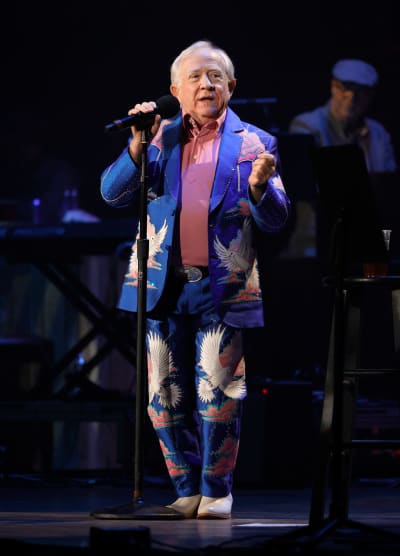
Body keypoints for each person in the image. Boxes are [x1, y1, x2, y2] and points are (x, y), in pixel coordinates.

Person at [100, 40, 290, 519]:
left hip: (221, 283)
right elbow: (112, 194)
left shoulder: (255, 143)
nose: (206, 84)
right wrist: (137, 143)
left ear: (231, 86)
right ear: (174, 90)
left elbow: (276, 220)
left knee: (219, 389)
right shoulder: (158, 139)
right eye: (196, 77)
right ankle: (185, 486)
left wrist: (260, 188)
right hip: (162, 284)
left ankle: (216, 489)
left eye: (216, 76)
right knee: (162, 392)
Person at [289, 58, 397, 173]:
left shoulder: (378, 133)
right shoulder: (306, 126)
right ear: (333, 87)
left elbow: (388, 181)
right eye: (346, 88)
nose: (351, 98)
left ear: (370, 96)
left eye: (360, 91)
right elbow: (304, 177)